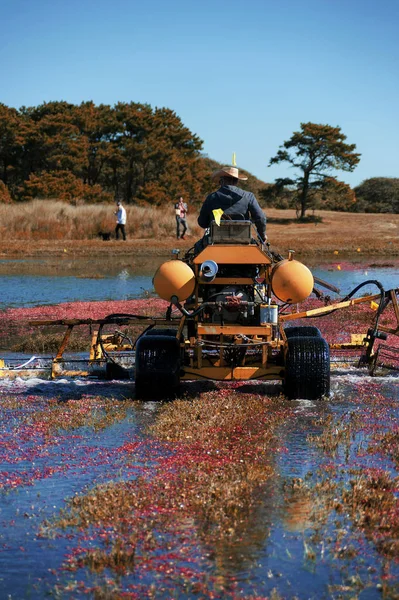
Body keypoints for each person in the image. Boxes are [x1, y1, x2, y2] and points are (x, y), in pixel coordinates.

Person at [198, 166, 266, 242]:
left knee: (198, 247)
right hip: (244, 240)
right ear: (237, 181)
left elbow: (202, 222)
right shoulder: (248, 196)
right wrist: (262, 235)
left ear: (222, 181)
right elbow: (260, 218)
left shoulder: (211, 198)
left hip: (215, 241)